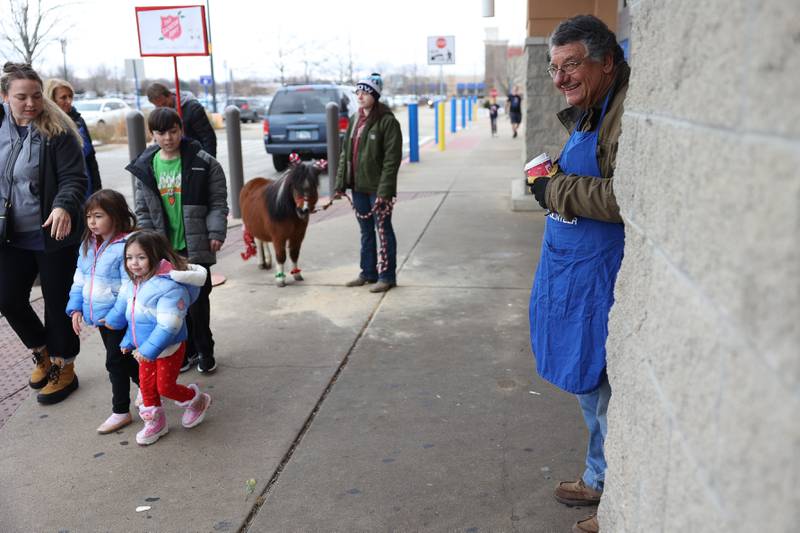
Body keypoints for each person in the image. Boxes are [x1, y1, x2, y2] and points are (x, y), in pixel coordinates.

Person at [527, 15, 630, 533]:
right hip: (575, 274)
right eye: (553, 67)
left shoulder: (623, 114)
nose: (560, 77)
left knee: (605, 389)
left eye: (571, 65)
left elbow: (623, 196)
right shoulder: (591, 110)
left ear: (605, 62)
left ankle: (613, 502)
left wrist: (556, 190)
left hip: (602, 280)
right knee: (591, 389)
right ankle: (597, 475)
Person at [0, 62, 86, 404]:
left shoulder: (57, 131)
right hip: (10, 232)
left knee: (57, 302)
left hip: (52, 230)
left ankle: (65, 367)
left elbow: (74, 178)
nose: (31, 103)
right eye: (21, 97)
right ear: (5, 96)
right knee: (7, 297)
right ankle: (43, 352)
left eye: (36, 95)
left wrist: (64, 206)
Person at [126, 107, 228, 374]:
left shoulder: (203, 163)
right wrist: (149, 246)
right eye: (161, 132)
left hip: (195, 246)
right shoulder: (145, 167)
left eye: (173, 131)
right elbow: (143, 211)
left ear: (181, 130)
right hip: (164, 250)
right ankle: (186, 351)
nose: (168, 137)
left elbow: (218, 202)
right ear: (153, 134)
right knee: (172, 305)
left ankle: (205, 350)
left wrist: (215, 232)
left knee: (198, 303)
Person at [102, 230, 211, 446]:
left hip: (168, 348)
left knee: (165, 387)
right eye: (129, 257)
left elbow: (169, 325)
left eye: (141, 257)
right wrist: (127, 341)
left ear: (156, 256)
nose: (134, 263)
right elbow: (133, 318)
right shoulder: (135, 283)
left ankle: (195, 400)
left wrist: (147, 350)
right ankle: (155, 422)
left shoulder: (168, 287)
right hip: (145, 349)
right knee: (147, 386)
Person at [66, 189, 139, 433]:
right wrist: (75, 307)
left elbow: (130, 286)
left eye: (98, 216)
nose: (92, 222)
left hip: (118, 318)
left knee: (115, 362)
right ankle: (152, 390)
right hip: (101, 318)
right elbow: (79, 279)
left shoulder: (125, 246)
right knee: (126, 360)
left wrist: (115, 317)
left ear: (116, 216)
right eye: (89, 217)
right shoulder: (87, 244)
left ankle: (121, 411)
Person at [334, 72, 402, 293]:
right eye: (358, 91)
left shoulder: (387, 121)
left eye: (365, 92)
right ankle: (368, 273)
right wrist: (340, 183)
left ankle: (387, 276)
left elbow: (392, 160)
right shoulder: (355, 119)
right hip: (358, 187)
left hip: (377, 189)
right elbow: (345, 154)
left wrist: (384, 191)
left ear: (375, 95)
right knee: (366, 232)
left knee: (383, 231)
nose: (360, 95)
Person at [44, 78, 102, 197]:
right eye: (63, 97)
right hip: (63, 191)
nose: (69, 101)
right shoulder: (45, 126)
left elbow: (91, 157)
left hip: (86, 185)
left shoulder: (79, 121)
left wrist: (97, 188)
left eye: (70, 96)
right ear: (51, 99)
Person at [145, 82, 217, 157]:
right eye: (158, 106)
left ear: (170, 95)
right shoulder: (160, 113)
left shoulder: (193, 108)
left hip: (195, 155)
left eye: (164, 103)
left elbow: (208, 137)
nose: (163, 108)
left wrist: (209, 162)